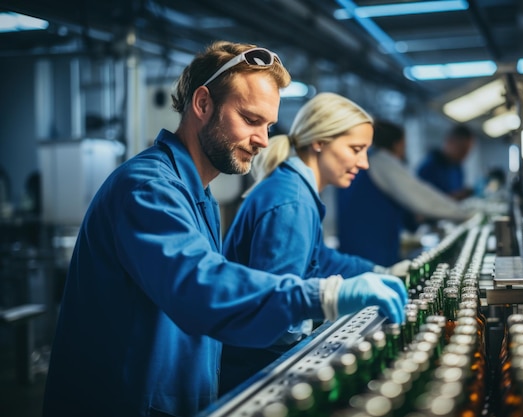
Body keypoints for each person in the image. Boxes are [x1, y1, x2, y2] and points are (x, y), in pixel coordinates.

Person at [41, 41, 407, 417]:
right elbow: (199, 284)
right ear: (202, 104)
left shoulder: (199, 195)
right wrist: (324, 295)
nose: (264, 141)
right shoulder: (147, 187)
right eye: (250, 120)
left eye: (268, 126)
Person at [220, 92, 412, 396]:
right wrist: (327, 306)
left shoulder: (296, 190)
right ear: (320, 142)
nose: (363, 163)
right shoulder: (291, 201)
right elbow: (278, 319)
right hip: (255, 373)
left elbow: (319, 258)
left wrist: (381, 271)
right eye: (356, 149)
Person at [337, 120, 472, 266]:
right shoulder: (382, 162)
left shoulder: (367, 162)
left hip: (354, 250)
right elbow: (422, 198)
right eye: (404, 145)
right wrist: (465, 214)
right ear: (396, 144)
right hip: (370, 252)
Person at [416, 123, 475, 200]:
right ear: (450, 141)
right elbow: (421, 200)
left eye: (467, 151)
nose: (465, 155)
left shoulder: (458, 167)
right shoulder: (428, 168)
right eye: (462, 150)